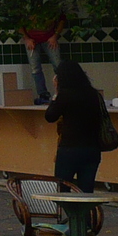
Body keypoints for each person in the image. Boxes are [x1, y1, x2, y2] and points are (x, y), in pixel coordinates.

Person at [44, 60, 105, 192]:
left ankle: (71, 213)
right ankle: (84, 213)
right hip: (92, 149)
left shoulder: (65, 95)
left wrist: (56, 93)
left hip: (69, 149)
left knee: (63, 189)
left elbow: (50, 116)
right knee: (86, 190)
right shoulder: (94, 94)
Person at [23, 16, 67, 105]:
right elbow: (17, 22)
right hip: (32, 39)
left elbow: (62, 19)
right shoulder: (24, 7)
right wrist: (27, 38)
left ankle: (63, 91)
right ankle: (43, 94)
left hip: (49, 38)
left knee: (58, 66)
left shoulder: (51, 6)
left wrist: (55, 36)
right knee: (35, 68)